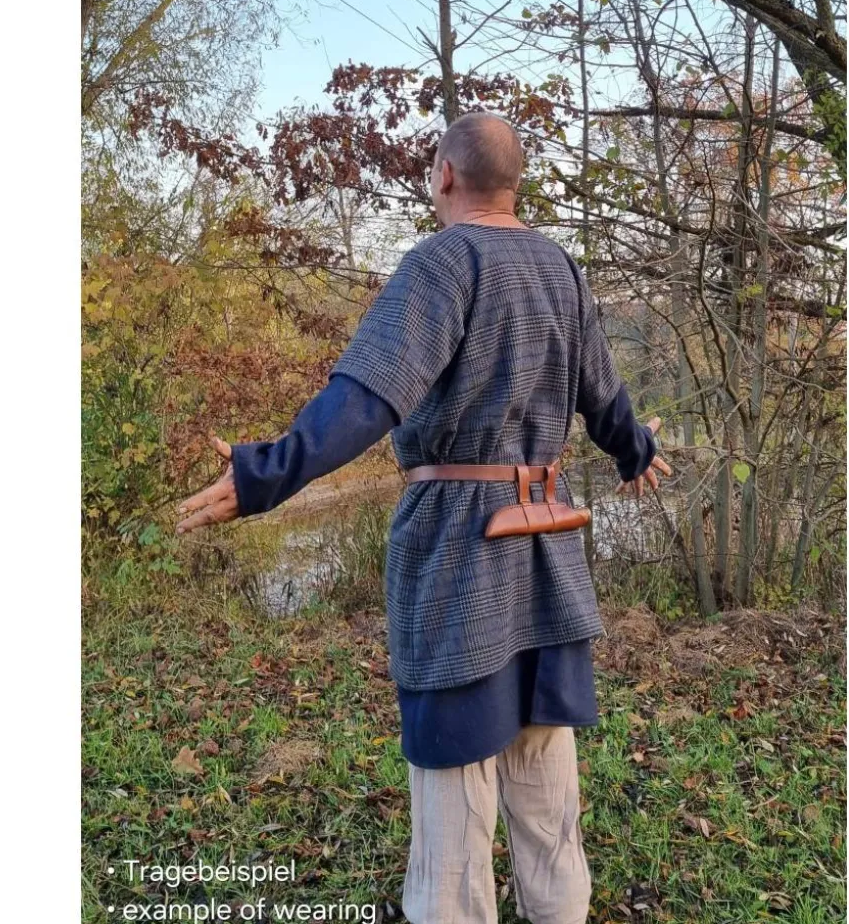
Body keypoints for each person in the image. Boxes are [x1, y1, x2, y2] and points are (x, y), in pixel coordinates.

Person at [176, 111, 671, 924]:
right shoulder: (563, 269)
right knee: (546, 785)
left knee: (454, 800)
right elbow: (605, 398)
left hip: (458, 553)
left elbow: (367, 397)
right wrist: (636, 450)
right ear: (514, 181)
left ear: (444, 174)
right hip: (546, 550)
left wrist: (265, 472)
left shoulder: (442, 263)